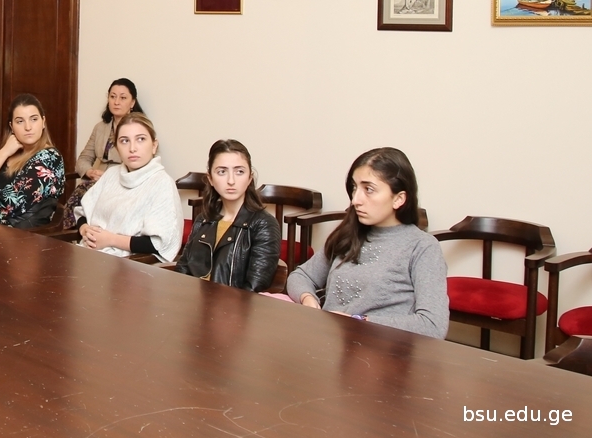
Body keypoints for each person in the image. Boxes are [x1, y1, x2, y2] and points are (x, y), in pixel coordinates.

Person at [285, 147, 449, 338]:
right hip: (329, 341)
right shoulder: (347, 233)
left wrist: (358, 322)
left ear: (398, 199)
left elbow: (433, 325)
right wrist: (307, 299)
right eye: (355, 188)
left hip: (381, 349)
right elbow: (301, 276)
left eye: (368, 189)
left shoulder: (422, 247)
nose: (356, 200)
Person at [175, 139, 279, 292]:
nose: (231, 181)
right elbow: (182, 270)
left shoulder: (263, 224)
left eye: (239, 172)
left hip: (232, 305)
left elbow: (253, 289)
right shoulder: (204, 218)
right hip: (192, 301)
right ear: (210, 179)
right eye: (222, 172)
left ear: (250, 178)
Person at [74, 112, 181, 261]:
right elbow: (83, 213)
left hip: (129, 266)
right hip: (89, 253)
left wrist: (110, 239)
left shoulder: (162, 183)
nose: (132, 148)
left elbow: (158, 244)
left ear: (154, 145)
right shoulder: (111, 174)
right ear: (117, 148)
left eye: (141, 139)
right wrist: (85, 229)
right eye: (124, 141)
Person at [0, 94, 65, 227]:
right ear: (11, 126)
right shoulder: (10, 153)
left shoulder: (50, 157)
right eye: (20, 121)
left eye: (34, 119)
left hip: (20, 235)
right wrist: (4, 151)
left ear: (43, 122)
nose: (28, 127)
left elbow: (11, 204)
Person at [66, 78, 143, 228]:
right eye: (112, 96)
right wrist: (89, 171)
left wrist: (110, 177)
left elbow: (140, 164)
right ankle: (73, 237)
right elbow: (83, 159)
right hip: (96, 182)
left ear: (132, 102)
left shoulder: (139, 128)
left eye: (123, 98)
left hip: (122, 184)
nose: (116, 102)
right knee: (79, 198)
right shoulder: (100, 128)